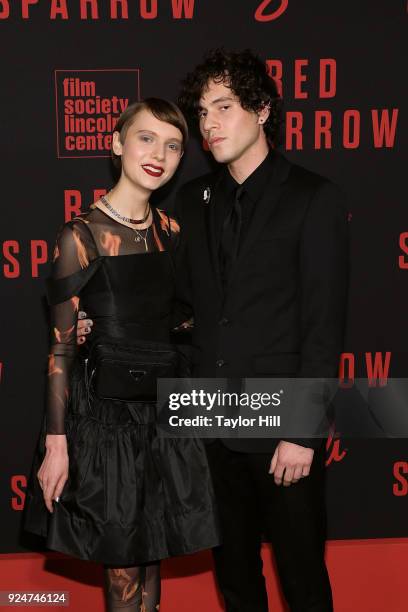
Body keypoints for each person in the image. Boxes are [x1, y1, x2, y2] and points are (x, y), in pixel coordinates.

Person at [78, 49, 349, 611]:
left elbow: (324, 323)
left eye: (223, 108)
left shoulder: (313, 197)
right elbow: (174, 307)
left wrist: (302, 431)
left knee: (302, 579)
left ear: (263, 109)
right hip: (209, 423)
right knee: (235, 581)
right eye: (202, 113)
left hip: (281, 428)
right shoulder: (193, 203)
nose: (209, 125)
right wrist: (102, 320)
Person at [24, 98, 220, 612]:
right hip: (107, 420)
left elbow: (180, 320)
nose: (159, 153)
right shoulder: (80, 236)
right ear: (116, 144)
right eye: (146, 138)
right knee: (124, 567)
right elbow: (60, 349)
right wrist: (56, 444)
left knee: (154, 555)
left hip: (162, 414)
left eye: (173, 144)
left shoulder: (172, 232)